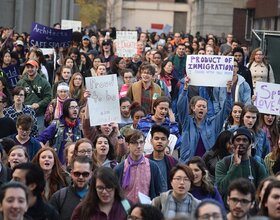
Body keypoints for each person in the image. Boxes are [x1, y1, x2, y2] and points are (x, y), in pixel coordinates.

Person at [177, 77, 233, 163]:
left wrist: (228, 92)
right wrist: (185, 89)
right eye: (199, 106)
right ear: (193, 108)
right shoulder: (187, 122)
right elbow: (181, 107)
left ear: (207, 110)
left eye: (204, 107)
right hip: (188, 163)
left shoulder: (213, 123)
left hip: (207, 165)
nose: (201, 108)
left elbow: (226, 110)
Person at [215, 127, 268, 203]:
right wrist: (235, 165)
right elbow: (221, 189)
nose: (241, 143)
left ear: (250, 144)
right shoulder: (223, 163)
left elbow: (263, 193)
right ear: (233, 144)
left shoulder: (258, 166)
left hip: (251, 211)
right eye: (238, 140)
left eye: (245, 140)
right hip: (228, 210)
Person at [114, 129, 164, 203]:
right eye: (134, 143)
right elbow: (116, 194)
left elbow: (159, 191)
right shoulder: (120, 169)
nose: (138, 146)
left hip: (147, 210)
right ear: (128, 145)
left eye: (141, 142)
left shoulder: (152, 167)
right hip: (126, 210)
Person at [37, 98, 82, 164]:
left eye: (76, 107)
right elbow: (39, 140)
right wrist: (47, 152)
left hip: (75, 165)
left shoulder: (80, 127)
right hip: (58, 165)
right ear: (66, 109)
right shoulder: (56, 125)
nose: (75, 110)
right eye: (72, 107)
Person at [16, 59, 52, 133]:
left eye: (32, 67)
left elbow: (48, 97)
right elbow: (16, 95)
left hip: (38, 114)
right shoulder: (21, 82)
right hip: (23, 114)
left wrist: (39, 104)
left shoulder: (44, 82)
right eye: (28, 67)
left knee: (38, 135)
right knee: (23, 133)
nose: (30, 69)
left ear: (37, 68)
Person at [146, 125, 178, 190]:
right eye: (156, 138)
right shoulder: (144, 161)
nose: (159, 141)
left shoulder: (173, 162)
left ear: (167, 142)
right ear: (151, 141)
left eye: (163, 139)